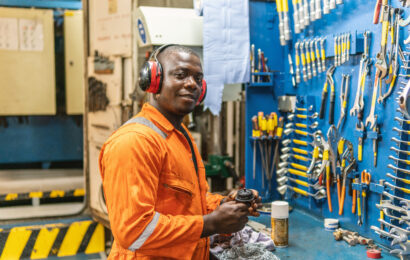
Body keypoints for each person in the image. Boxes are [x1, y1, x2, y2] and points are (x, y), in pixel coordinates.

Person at [99, 44, 261, 259]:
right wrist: (211, 223)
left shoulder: (179, 134)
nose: (191, 84)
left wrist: (223, 205)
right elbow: (134, 232)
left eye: (197, 78)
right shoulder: (134, 142)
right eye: (181, 75)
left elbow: (188, 202)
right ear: (153, 80)